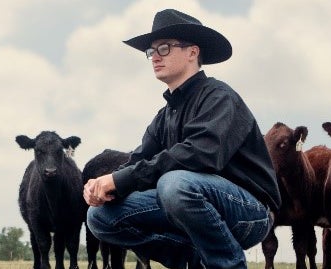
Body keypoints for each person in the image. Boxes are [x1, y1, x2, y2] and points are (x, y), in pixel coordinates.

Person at [84, 9, 281, 269]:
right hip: (190, 204)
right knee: (99, 216)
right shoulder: (165, 115)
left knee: (175, 183)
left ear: (192, 52)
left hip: (249, 212)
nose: (154, 56)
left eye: (164, 48)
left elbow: (199, 155)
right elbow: (138, 160)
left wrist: (121, 180)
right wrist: (103, 185)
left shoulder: (220, 97)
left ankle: (227, 265)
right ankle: (192, 260)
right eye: (151, 51)